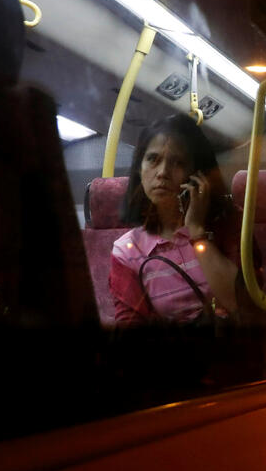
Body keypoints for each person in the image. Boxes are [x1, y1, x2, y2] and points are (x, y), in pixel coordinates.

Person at [109, 115, 255, 324]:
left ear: (196, 175)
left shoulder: (231, 224)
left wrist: (197, 232)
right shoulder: (127, 251)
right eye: (153, 159)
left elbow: (243, 306)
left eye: (178, 163)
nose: (162, 173)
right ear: (139, 169)